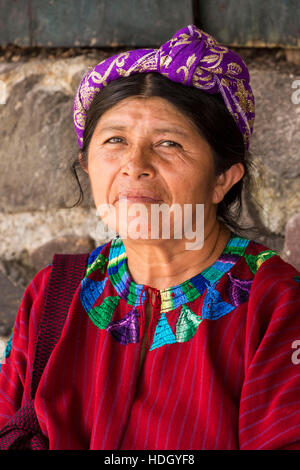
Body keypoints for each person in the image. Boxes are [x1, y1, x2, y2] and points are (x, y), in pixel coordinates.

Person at [0, 24, 299, 450]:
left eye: (168, 144)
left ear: (222, 179)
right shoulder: (53, 295)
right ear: (87, 166)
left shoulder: (275, 305)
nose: (134, 165)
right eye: (115, 140)